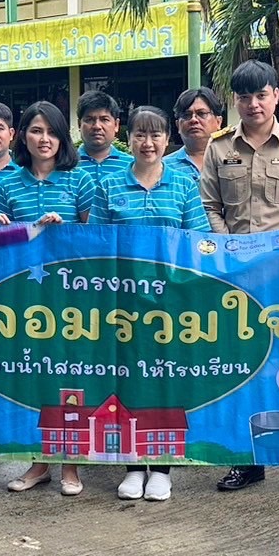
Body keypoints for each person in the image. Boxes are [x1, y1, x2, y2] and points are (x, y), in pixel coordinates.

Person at [201, 60, 279, 499]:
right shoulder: (219, 148)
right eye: (244, 97)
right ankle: (245, 461)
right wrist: (231, 250)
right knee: (241, 367)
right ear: (235, 101)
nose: (253, 104)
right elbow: (210, 206)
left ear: (275, 95)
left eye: (261, 95)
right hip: (236, 278)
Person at [93, 105, 210, 503]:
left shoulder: (183, 185)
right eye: (141, 135)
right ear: (129, 139)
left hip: (170, 306)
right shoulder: (109, 185)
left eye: (156, 135)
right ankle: (131, 466)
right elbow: (94, 245)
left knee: (164, 381)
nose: (148, 143)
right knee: (124, 381)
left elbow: (200, 243)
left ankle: (161, 468)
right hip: (120, 306)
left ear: (167, 140)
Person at [0, 100, 97, 497]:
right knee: (35, 378)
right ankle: (38, 463)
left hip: (71, 301)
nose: (44, 139)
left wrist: (64, 228)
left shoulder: (81, 181)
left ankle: (71, 464)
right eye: (36, 131)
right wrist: (4, 228)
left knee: (71, 379)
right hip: (23, 301)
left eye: (52, 131)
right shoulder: (7, 183)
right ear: (23, 136)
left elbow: (96, 242)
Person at [166, 87, 225, 181]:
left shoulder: (232, 161)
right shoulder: (163, 167)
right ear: (178, 125)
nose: (194, 120)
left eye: (201, 113)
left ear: (218, 122)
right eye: (187, 115)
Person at [75, 90, 133, 182]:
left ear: (116, 125)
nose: (97, 126)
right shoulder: (66, 165)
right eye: (89, 119)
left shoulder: (131, 165)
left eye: (104, 119)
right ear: (79, 124)